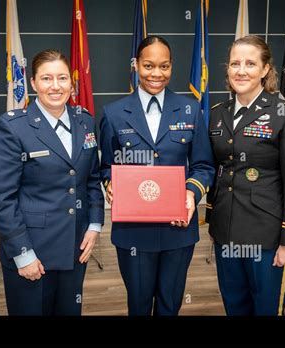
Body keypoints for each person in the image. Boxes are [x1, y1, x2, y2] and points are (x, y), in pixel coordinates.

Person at [100, 35, 214, 316]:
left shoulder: (191, 109)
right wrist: (110, 183)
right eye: (148, 65)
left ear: (172, 67)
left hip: (178, 228)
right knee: (138, 304)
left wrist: (191, 193)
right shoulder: (113, 113)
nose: (156, 74)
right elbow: (105, 166)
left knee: (170, 303)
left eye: (164, 66)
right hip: (134, 232)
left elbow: (203, 165)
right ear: (136, 65)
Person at [0, 49, 104, 315]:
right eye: (46, 78)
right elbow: (2, 198)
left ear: (71, 83)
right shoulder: (13, 127)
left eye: (62, 78)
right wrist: (23, 253)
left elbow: (91, 179)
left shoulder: (85, 121)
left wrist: (95, 224)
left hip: (76, 248)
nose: (55, 86)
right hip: (33, 249)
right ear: (33, 83)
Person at [205, 35, 285, 316]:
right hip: (226, 233)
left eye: (251, 63)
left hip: (267, 237)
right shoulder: (217, 114)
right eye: (235, 63)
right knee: (235, 306)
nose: (241, 70)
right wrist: (212, 219)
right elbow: (219, 170)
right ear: (227, 69)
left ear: (265, 70)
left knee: (267, 309)